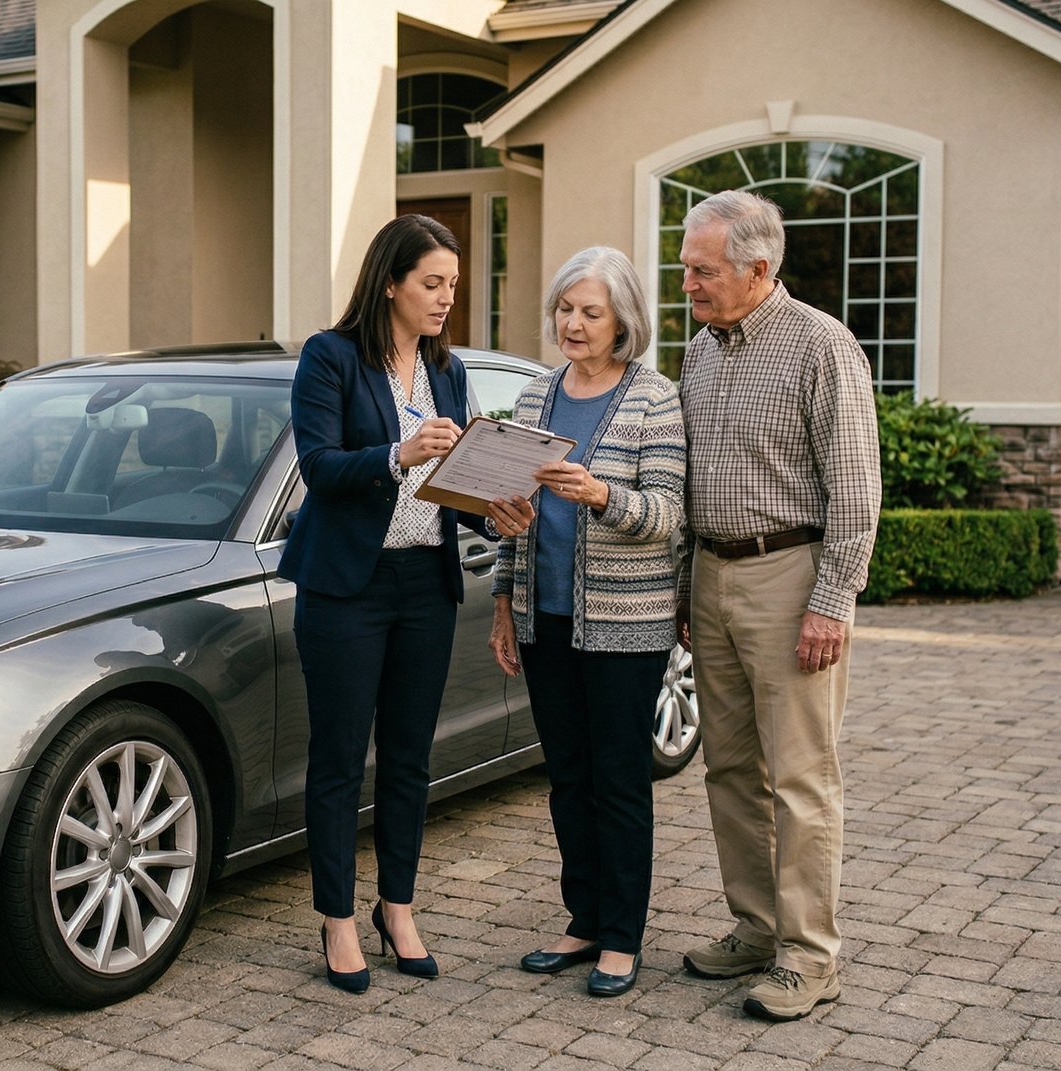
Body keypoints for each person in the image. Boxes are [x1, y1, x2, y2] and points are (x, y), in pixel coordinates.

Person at [279, 214, 534, 993]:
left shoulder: (448, 371)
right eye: (432, 283)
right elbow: (320, 467)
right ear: (390, 280)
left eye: (453, 286)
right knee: (337, 760)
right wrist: (397, 453)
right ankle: (337, 919)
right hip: (346, 590)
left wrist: (491, 506)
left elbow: (449, 484)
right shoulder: (329, 358)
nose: (445, 298)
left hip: (427, 583)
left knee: (410, 760)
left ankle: (398, 908)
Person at [673, 190, 881, 1021]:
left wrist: (831, 602)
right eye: (686, 267)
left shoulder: (822, 346)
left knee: (801, 776)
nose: (687, 282)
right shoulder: (700, 349)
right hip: (712, 577)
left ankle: (809, 956)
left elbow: (857, 492)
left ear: (759, 268)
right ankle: (756, 929)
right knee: (728, 768)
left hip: (790, 578)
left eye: (702, 269)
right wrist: (690, 583)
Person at [486, 247, 685, 998]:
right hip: (547, 620)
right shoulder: (536, 398)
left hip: (627, 625)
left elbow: (667, 514)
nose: (573, 323)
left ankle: (623, 938)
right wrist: (506, 602)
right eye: (565, 308)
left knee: (620, 781)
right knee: (568, 778)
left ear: (622, 319)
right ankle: (584, 918)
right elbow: (514, 513)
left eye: (590, 311)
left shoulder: (654, 398)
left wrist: (603, 494)